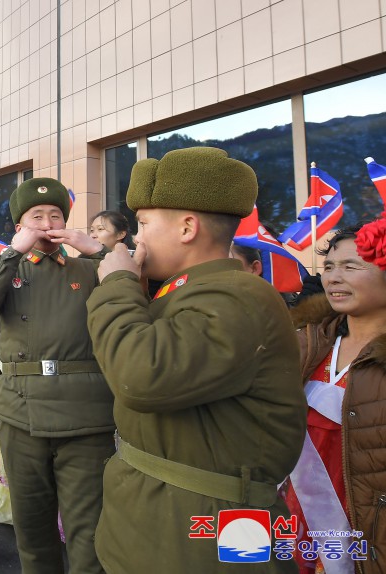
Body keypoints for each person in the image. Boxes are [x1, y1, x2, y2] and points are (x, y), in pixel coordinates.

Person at [86, 147, 307, 573]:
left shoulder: (240, 297)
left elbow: (140, 375)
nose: (137, 239)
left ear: (188, 227)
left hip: (208, 527)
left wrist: (116, 283)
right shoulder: (184, 290)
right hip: (161, 513)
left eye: (145, 224)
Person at [0, 177, 114, 574]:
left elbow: (132, 285)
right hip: (21, 413)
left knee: (89, 528)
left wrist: (98, 249)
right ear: (19, 228)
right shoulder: (6, 267)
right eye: (36, 217)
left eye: (55, 215)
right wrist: (13, 251)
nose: (47, 223)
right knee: (32, 526)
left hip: (85, 416)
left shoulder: (87, 267)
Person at [284, 219, 386, 574]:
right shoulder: (307, 342)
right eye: (328, 266)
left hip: (369, 528)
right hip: (294, 522)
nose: (333, 277)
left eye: (351, 266)